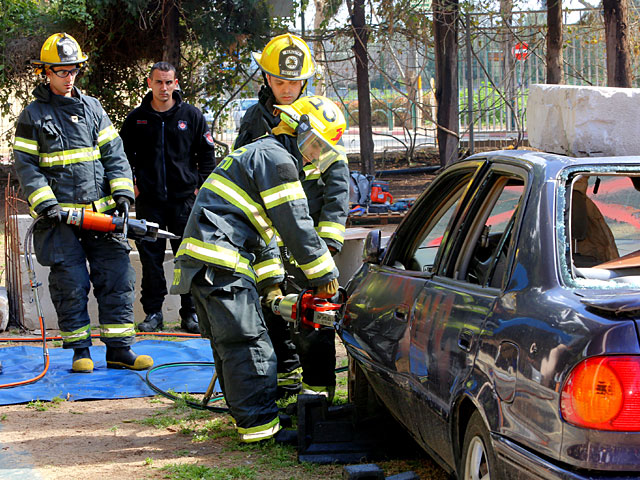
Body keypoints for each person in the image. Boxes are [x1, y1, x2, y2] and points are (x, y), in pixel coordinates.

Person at [170, 95, 344, 442]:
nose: (313, 154)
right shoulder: (276, 160)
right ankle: (262, 430)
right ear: (293, 129)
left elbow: (262, 234)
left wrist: (271, 287)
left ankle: (254, 421)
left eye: (320, 149)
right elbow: (295, 223)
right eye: (313, 144)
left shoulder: (260, 154)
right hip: (219, 262)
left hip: (211, 263)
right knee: (250, 345)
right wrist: (325, 275)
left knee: (232, 346)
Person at [13, 32, 152, 373]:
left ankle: (120, 350)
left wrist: (121, 194)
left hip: (100, 216)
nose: (68, 76)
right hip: (59, 220)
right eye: (61, 71)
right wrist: (45, 202)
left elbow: (114, 154)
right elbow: (26, 167)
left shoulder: (93, 108)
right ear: (45, 72)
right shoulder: (33, 115)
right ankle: (80, 352)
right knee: (71, 283)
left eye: (73, 69)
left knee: (117, 277)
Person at [235, 34, 350, 400]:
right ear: (266, 78)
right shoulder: (254, 119)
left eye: (294, 82)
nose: (287, 89)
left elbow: (337, 181)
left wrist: (328, 240)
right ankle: (283, 389)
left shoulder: (316, 118)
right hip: (267, 236)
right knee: (271, 311)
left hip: (308, 237)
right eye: (280, 81)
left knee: (315, 316)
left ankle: (318, 396)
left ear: (307, 81)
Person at [120, 62, 216, 334]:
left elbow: (207, 157)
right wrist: (133, 186)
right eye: (159, 82)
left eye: (169, 82)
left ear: (176, 83)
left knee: (187, 259)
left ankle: (191, 315)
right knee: (150, 261)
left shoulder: (192, 116)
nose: (164, 88)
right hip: (150, 203)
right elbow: (122, 157)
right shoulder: (137, 119)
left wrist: (197, 189)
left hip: (184, 203)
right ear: (149, 83)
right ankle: (153, 314)